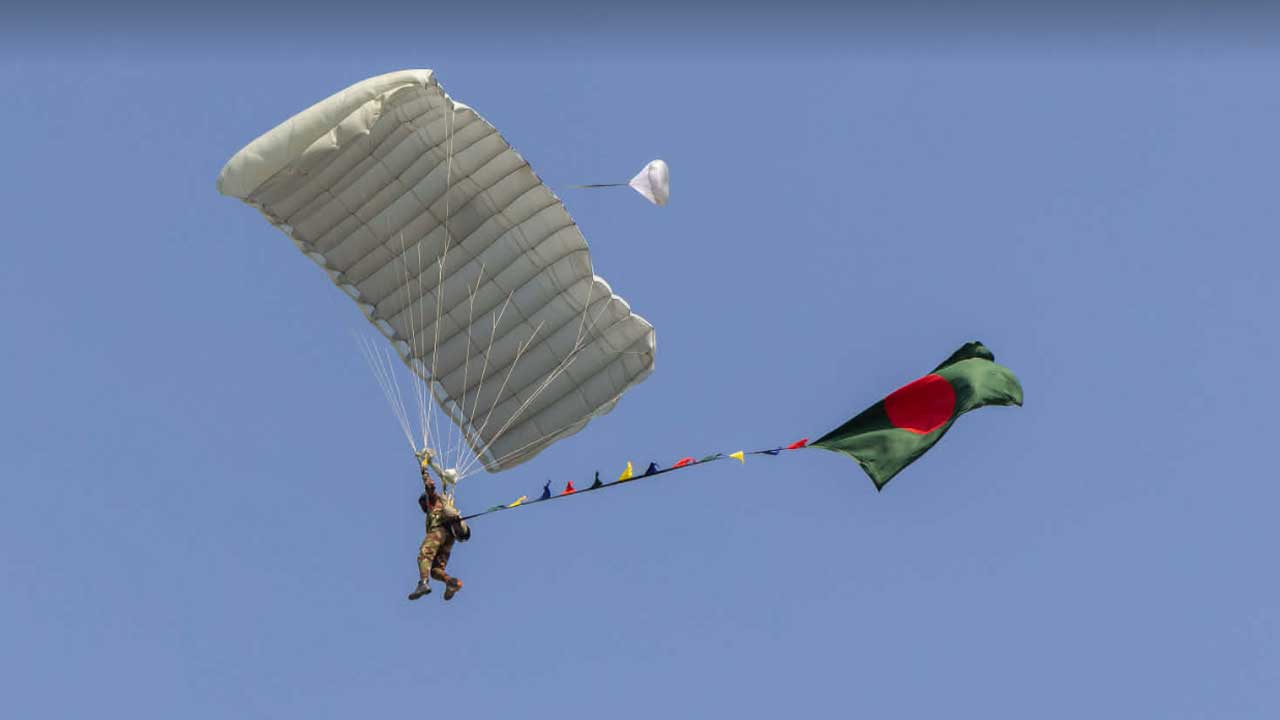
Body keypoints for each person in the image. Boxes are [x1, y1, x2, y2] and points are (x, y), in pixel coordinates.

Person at [408, 462, 468, 601]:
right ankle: (450, 582)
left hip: (439, 532)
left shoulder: (433, 501)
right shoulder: (444, 503)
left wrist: (424, 470)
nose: (422, 507)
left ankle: (423, 583)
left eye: (422, 503)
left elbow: (430, 486)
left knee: (424, 554)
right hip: (449, 539)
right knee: (435, 571)